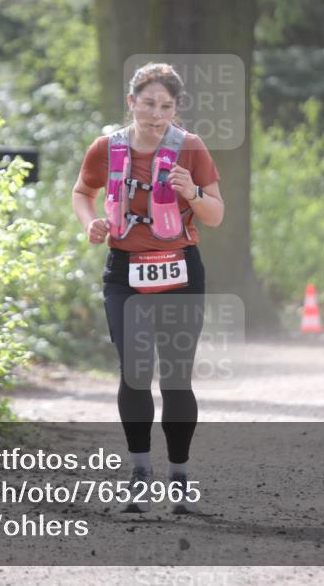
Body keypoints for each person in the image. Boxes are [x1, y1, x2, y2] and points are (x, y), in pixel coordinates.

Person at [72, 63, 223, 513]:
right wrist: (91, 224)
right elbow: (83, 192)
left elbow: (216, 215)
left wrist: (193, 192)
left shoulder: (190, 148)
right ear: (131, 102)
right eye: (149, 103)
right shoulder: (106, 148)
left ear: (176, 109)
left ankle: (179, 478)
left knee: (176, 377)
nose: (157, 115)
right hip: (125, 273)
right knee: (135, 371)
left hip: (180, 271)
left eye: (167, 106)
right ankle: (140, 472)